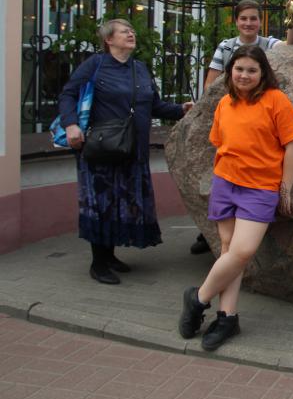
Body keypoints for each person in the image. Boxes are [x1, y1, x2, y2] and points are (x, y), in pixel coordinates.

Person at [179, 45, 293, 351]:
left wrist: (285, 187)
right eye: (239, 69)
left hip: (260, 188)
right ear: (230, 71)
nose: (244, 75)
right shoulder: (225, 102)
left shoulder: (275, 100)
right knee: (228, 251)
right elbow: (220, 142)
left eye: (252, 70)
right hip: (225, 183)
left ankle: (198, 299)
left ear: (263, 73)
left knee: (242, 252)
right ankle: (228, 318)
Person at [58, 19, 193, 285]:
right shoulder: (95, 65)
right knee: (102, 204)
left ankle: (110, 256)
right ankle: (98, 263)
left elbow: (153, 106)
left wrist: (180, 110)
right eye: (124, 31)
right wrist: (71, 124)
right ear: (109, 40)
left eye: (132, 30)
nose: (131, 34)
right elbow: (68, 95)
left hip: (133, 149)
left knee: (121, 204)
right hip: (103, 149)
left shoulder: (139, 68)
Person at [192, 0, 293, 255]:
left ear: (260, 21)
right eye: (243, 18)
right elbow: (210, 84)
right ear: (236, 21)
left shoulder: (268, 45)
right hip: (232, 116)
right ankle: (206, 235)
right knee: (226, 224)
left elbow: (292, 46)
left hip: (259, 166)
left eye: (253, 18)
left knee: (237, 248)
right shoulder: (226, 47)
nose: (248, 23)